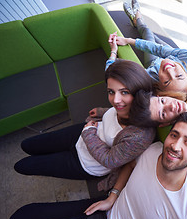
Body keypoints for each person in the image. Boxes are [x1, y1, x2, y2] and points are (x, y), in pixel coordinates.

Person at [7, 112, 187, 219]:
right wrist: (113, 196)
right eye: (174, 135)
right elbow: (129, 166)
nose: (175, 145)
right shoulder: (154, 149)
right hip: (104, 210)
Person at [14, 59, 156, 191]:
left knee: (23, 166)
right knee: (28, 145)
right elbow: (115, 111)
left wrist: (88, 133)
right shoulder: (125, 107)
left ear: (139, 93)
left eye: (124, 92)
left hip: (85, 163)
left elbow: (110, 160)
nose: (116, 100)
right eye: (111, 92)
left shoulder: (140, 135)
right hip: (82, 134)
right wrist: (101, 112)